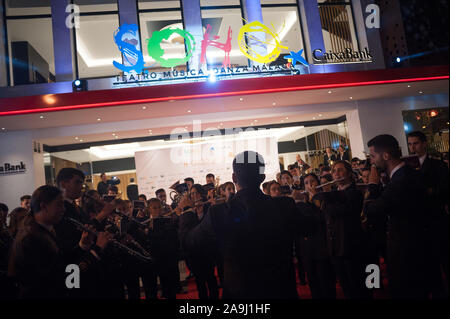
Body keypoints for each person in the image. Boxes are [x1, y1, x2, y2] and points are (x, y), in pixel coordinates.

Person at [179, 151, 300, 299]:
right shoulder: (285, 205)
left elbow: (189, 242)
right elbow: (309, 228)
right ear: (262, 177)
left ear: (234, 178)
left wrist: (186, 211)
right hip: (281, 291)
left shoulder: (218, 213)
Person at [7, 185, 112, 299]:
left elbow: (60, 261)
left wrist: (82, 246)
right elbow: (65, 280)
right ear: (44, 206)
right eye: (59, 204)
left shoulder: (40, 230)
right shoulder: (32, 238)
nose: (64, 209)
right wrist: (96, 251)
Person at [364, 134, 428, 299]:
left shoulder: (401, 179)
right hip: (411, 245)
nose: (371, 161)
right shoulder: (404, 174)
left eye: (373, 156)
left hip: (407, 249)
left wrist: (371, 185)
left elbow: (372, 209)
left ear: (386, 155)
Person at [317, 161, 372, 299]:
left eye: (340, 170)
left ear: (348, 174)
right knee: (346, 287)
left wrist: (319, 200)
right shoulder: (335, 193)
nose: (336, 173)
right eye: (334, 170)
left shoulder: (354, 192)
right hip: (336, 247)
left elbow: (339, 211)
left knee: (358, 286)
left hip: (351, 246)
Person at [407, 131, 448, 298]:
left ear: (424, 143)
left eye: (415, 143)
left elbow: (444, 190)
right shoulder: (407, 168)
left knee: (445, 260)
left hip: (437, 220)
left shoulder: (438, 165)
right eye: (410, 144)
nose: (412, 147)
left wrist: (427, 191)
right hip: (418, 224)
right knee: (429, 266)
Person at [296, 174, 336, 299]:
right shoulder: (301, 205)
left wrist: (315, 199)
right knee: (314, 284)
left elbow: (324, 218)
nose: (310, 185)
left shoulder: (325, 200)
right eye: (307, 183)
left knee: (326, 283)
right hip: (308, 250)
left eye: (312, 181)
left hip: (323, 248)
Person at [178, 184, 219, 299]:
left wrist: (201, 213)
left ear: (201, 194)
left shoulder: (208, 207)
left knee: (211, 279)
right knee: (200, 282)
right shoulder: (190, 210)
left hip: (207, 251)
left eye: (196, 193)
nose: (194, 195)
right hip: (194, 254)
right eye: (192, 194)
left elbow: (207, 227)